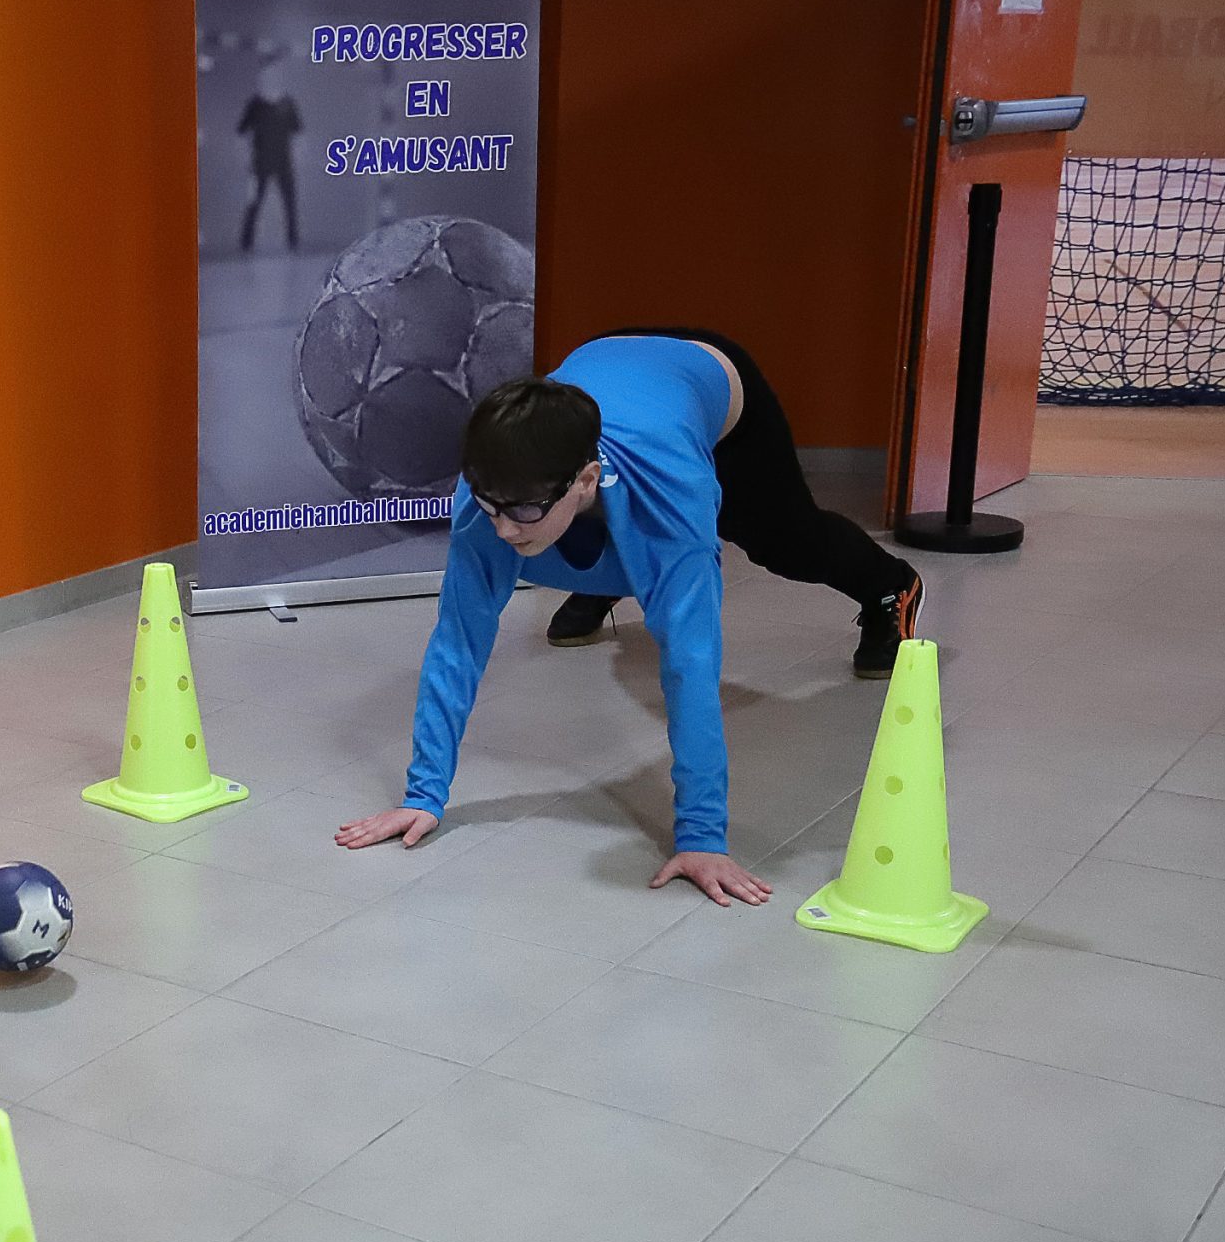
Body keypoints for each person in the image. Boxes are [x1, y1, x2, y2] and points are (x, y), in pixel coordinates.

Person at [333, 330, 924, 906]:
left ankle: (890, 587)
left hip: (709, 381)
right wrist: (423, 795)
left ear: (587, 479)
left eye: (524, 510)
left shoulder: (673, 498)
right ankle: (615, 576)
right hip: (611, 370)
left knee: (787, 545)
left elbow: (691, 666)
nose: (504, 528)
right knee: (534, 537)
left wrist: (701, 837)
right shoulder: (489, 496)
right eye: (491, 507)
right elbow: (458, 645)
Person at [236, 60, 302, 253]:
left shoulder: (287, 104)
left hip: (283, 162)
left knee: (289, 203)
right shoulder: (256, 105)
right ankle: (246, 242)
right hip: (260, 164)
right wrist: (247, 158)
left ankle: (293, 241)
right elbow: (242, 131)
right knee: (254, 202)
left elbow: (298, 132)